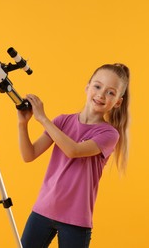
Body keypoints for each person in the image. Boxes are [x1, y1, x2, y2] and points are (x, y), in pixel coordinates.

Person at [17, 63, 130, 248]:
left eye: (111, 92)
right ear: (87, 87)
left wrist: (43, 119)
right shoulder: (62, 121)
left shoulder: (109, 134)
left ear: (118, 102)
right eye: (97, 86)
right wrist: (23, 124)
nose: (101, 94)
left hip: (76, 218)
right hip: (43, 209)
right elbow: (29, 155)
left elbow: (73, 150)